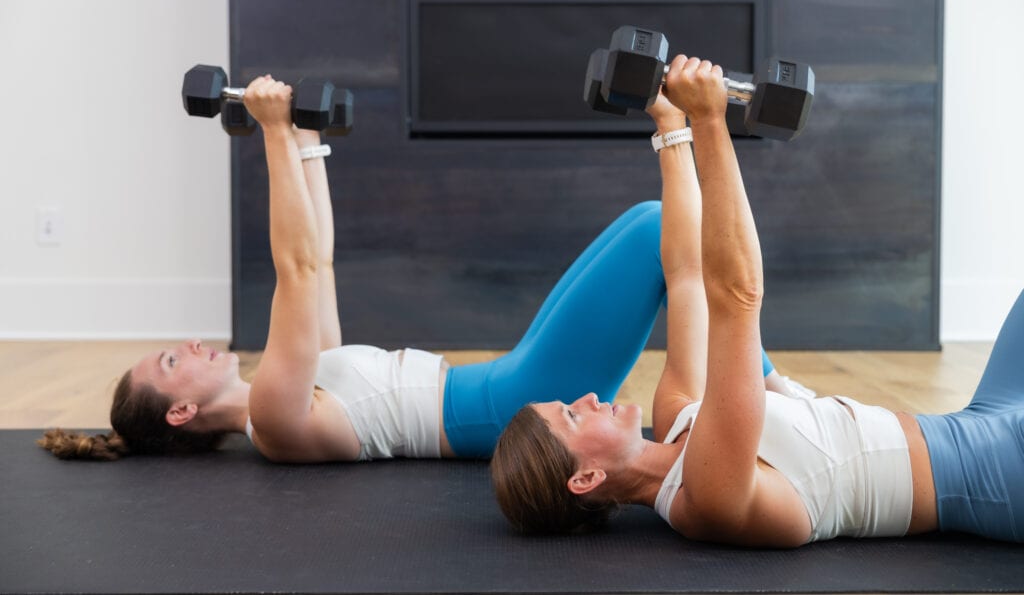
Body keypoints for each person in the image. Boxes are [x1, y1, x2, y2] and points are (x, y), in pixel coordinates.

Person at [39, 74, 808, 464]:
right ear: (179, 412)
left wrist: (305, 144)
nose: (192, 346)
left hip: (499, 380)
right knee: (652, 237)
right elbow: (295, 268)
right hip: (507, 403)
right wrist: (269, 130)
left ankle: (767, 386)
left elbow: (322, 262)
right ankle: (767, 390)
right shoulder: (273, 413)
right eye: (173, 362)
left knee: (650, 226)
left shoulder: (298, 377)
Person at [491, 55, 1024, 544]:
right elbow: (737, 294)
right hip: (997, 471)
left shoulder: (676, 415)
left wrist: (670, 123)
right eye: (572, 416)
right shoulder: (708, 495)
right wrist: (711, 122)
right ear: (586, 477)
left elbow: (688, 276)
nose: (585, 398)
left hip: (981, 416)